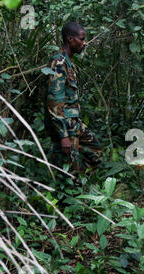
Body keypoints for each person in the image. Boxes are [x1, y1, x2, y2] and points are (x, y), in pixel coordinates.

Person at [45, 22, 102, 184]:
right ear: (70, 39)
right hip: (65, 125)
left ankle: (77, 183)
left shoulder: (68, 63)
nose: (84, 43)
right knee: (69, 169)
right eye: (81, 39)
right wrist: (63, 136)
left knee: (95, 152)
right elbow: (54, 100)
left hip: (73, 123)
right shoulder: (59, 63)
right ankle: (69, 197)